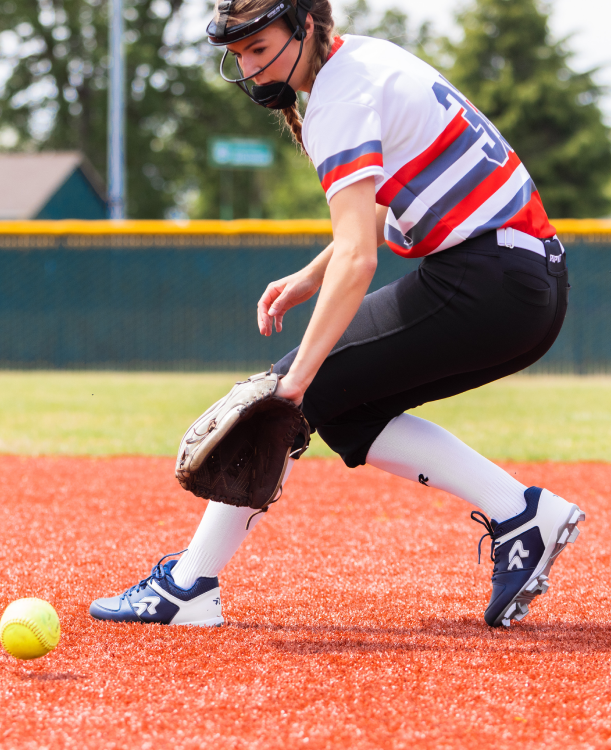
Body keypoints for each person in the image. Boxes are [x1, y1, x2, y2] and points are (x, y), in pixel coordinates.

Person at [90, 0, 585, 629]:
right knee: (347, 414)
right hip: (524, 285)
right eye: (239, 54)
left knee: (285, 392)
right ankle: (521, 513)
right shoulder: (364, 62)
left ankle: (189, 586)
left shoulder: (338, 99)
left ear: (303, 25)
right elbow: (379, 210)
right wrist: (306, 277)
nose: (250, 67)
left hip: (491, 281)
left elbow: (359, 260)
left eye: (260, 48)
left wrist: (292, 387)